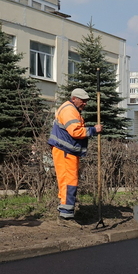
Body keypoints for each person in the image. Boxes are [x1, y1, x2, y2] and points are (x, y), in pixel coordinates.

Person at [48, 88, 102, 221]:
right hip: (65, 151)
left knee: (66, 180)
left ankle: (64, 209)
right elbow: (75, 132)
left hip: (65, 151)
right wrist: (94, 130)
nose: (85, 103)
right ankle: (66, 214)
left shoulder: (70, 109)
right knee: (69, 181)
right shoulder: (69, 110)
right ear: (74, 99)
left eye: (86, 101)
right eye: (83, 101)